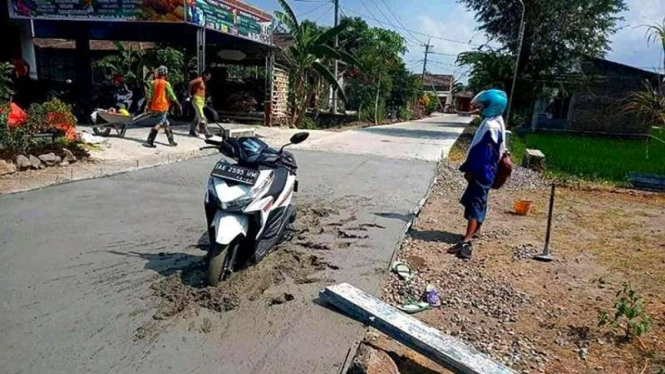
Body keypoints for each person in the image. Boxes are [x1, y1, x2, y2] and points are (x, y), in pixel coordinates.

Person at [449, 89, 507, 259]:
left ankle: (467, 240)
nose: (479, 109)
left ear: (491, 106)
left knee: (475, 203)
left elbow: (482, 154)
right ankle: (476, 231)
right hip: (488, 170)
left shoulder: (490, 126)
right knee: (478, 200)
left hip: (482, 171)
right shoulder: (497, 121)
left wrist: (470, 171)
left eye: (482, 106)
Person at [143, 66, 181, 148]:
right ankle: (149, 141)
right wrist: (178, 103)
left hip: (154, 106)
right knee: (160, 123)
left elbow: (149, 95)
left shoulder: (153, 82)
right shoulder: (166, 83)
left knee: (166, 123)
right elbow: (172, 95)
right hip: (163, 106)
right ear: (166, 74)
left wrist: (146, 105)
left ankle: (171, 141)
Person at [188, 70, 213, 138]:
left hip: (201, 100)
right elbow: (190, 83)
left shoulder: (204, 82)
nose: (208, 78)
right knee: (202, 117)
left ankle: (192, 130)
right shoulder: (199, 79)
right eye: (208, 76)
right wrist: (189, 94)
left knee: (197, 117)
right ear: (205, 75)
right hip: (197, 99)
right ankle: (206, 132)